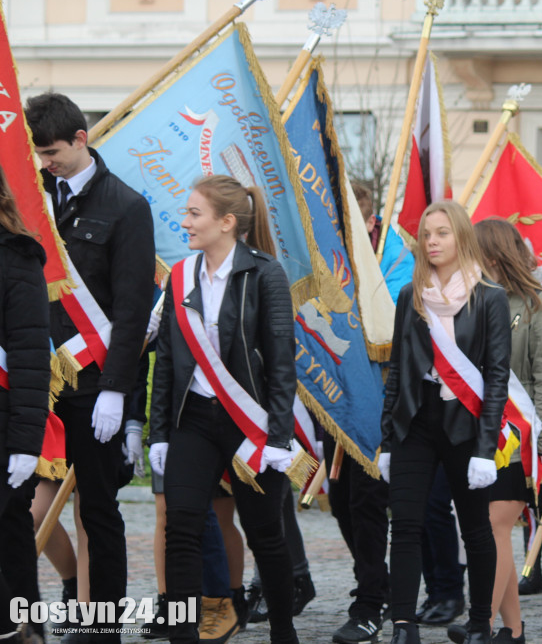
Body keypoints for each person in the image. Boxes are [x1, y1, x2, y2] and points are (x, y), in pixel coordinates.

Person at [148, 174, 301, 643]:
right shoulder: (179, 276)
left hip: (249, 424)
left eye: (195, 213)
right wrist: (158, 433)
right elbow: (170, 362)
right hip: (193, 419)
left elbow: (280, 362)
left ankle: (282, 630)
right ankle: (183, 636)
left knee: (264, 534)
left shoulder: (265, 273)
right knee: (181, 527)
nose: (186, 221)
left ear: (227, 222)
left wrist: (277, 437)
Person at [25, 93, 155, 642]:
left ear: (80, 140)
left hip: (93, 382)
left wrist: (117, 393)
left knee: (99, 509)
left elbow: (131, 310)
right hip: (37, 376)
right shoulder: (33, 197)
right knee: (20, 503)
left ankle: (101, 623)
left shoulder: (126, 206)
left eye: (52, 152)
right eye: (38, 154)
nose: (45, 162)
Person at [378, 201, 509, 644]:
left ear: (461, 238)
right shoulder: (409, 296)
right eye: (426, 234)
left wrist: (486, 449)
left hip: (465, 423)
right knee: (407, 525)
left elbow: (496, 377)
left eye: (441, 233)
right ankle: (402, 625)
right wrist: (386, 441)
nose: (431, 241)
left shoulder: (490, 297)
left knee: (475, 529)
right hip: (415, 421)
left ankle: (479, 625)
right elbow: (397, 371)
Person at [472, 219, 542, 644]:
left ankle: (481, 625)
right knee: (495, 530)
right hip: (476, 429)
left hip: (519, 433)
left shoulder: (536, 302)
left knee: (496, 525)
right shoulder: (468, 298)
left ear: (494, 254)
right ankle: (512, 630)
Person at [329, 179, 404, 644]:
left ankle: (371, 603)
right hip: (337, 396)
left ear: (369, 221)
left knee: (368, 502)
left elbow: (391, 323)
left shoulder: (396, 258)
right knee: (340, 502)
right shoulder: (332, 256)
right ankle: (378, 583)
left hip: (381, 400)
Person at [0, 163, 51, 643]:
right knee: (11, 533)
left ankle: (21, 631)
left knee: (11, 529)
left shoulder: (17, 256)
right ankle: (25, 629)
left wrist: (24, 442)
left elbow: (31, 357)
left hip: (4, 425)